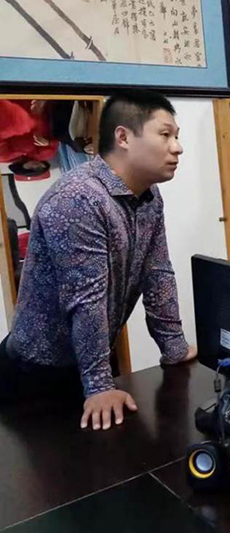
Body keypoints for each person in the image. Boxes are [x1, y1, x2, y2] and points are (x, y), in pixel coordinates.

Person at [0, 89, 197, 431]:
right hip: (35, 374)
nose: (177, 147)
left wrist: (174, 345)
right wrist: (99, 385)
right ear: (123, 137)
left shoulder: (149, 196)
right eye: (165, 135)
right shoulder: (78, 198)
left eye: (176, 136)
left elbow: (157, 274)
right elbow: (86, 298)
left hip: (87, 364)